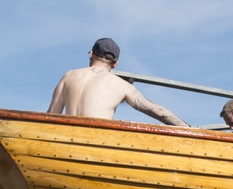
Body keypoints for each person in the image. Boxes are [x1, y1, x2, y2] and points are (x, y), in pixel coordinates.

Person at [47, 38, 189, 126]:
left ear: (91, 54)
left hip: (68, 141)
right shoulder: (121, 84)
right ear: (115, 63)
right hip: (97, 142)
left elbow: (50, 117)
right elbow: (158, 112)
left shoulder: (69, 75)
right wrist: (188, 128)